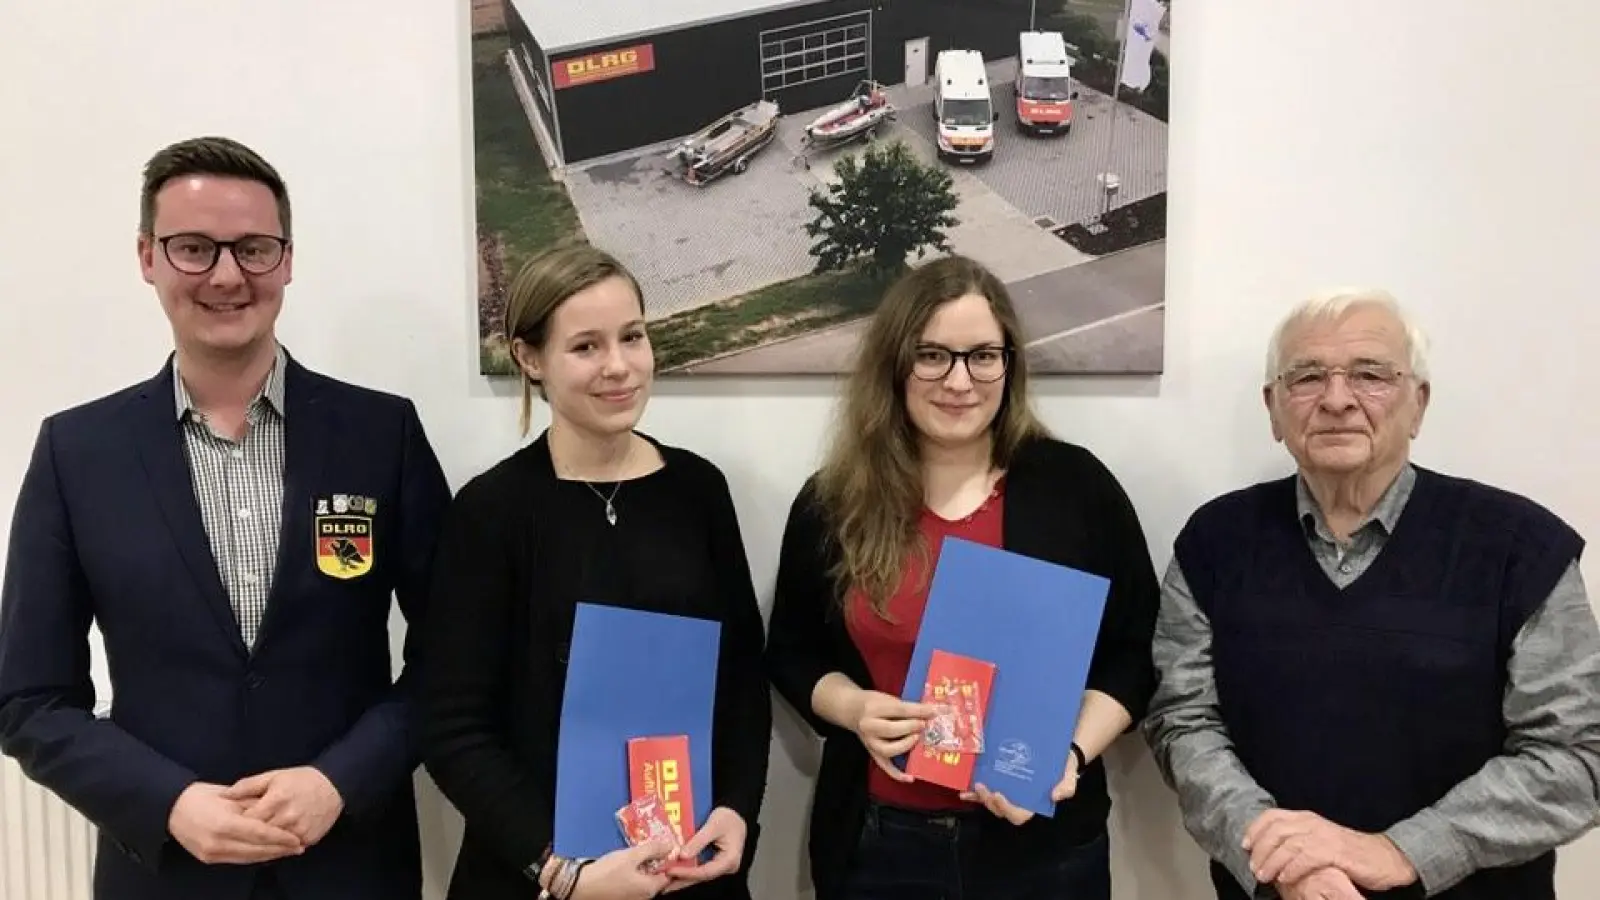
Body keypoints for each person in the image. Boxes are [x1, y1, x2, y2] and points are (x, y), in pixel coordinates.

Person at [0, 136, 452, 899]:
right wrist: (168, 802)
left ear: (287, 259)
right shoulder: (76, 453)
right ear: (147, 256)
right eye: (193, 248)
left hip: (352, 867)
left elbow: (454, 656)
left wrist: (338, 780)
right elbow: (30, 701)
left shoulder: (383, 435)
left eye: (253, 248)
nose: (226, 275)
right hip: (166, 874)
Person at [1143, 288, 1600, 900]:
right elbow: (1182, 719)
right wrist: (1280, 857)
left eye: (1370, 375)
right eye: (1306, 377)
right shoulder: (1215, 543)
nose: (1337, 400)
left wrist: (1398, 852)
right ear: (1274, 409)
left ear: (1419, 403)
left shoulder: (1520, 549)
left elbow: (1576, 757)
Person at [764, 254, 1161, 900]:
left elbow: (1135, 652)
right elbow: (791, 651)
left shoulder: (1075, 488)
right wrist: (855, 709)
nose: (959, 381)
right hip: (880, 846)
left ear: (1010, 364)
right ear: (895, 365)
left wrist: (1072, 755)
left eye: (983, 355)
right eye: (933, 356)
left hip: (1042, 845)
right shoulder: (833, 501)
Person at [419, 242, 771, 900]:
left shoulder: (698, 490)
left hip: (688, 867)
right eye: (585, 347)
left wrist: (736, 808)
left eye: (632, 337)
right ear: (530, 358)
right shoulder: (491, 511)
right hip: (539, 877)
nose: (620, 367)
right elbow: (451, 724)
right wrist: (561, 870)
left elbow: (743, 680)